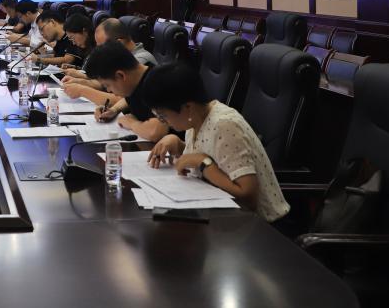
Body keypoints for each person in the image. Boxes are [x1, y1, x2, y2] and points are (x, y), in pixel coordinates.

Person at [144, 62, 290, 223]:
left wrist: (203, 163)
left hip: (261, 227)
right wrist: (179, 146)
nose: (163, 121)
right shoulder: (195, 119)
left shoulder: (225, 125)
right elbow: (216, 154)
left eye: (162, 116)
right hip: (225, 218)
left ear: (188, 107)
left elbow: (248, 198)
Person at [78, 41, 168, 141]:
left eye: (107, 85)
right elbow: (130, 99)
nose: (108, 90)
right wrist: (114, 110)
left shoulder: (159, 84)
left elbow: (155, 132)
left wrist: (131, 123)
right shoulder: (135, 81)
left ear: (120, 75)